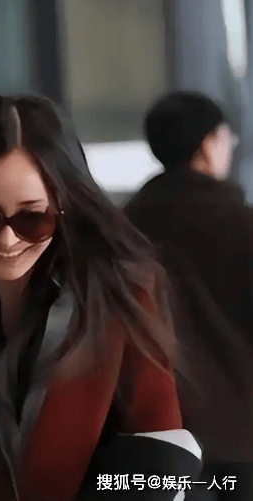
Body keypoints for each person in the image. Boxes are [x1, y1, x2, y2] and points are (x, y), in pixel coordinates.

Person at [0, 93, 203, 501]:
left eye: (32, 218)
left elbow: (160, 450)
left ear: (65, 206)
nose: (7, 240)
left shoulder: (118, 288)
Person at [125, 91, 253, 500]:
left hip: (160, 430)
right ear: (207, 144)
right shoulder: (242, 224)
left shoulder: (124, 228)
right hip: (243, 433)